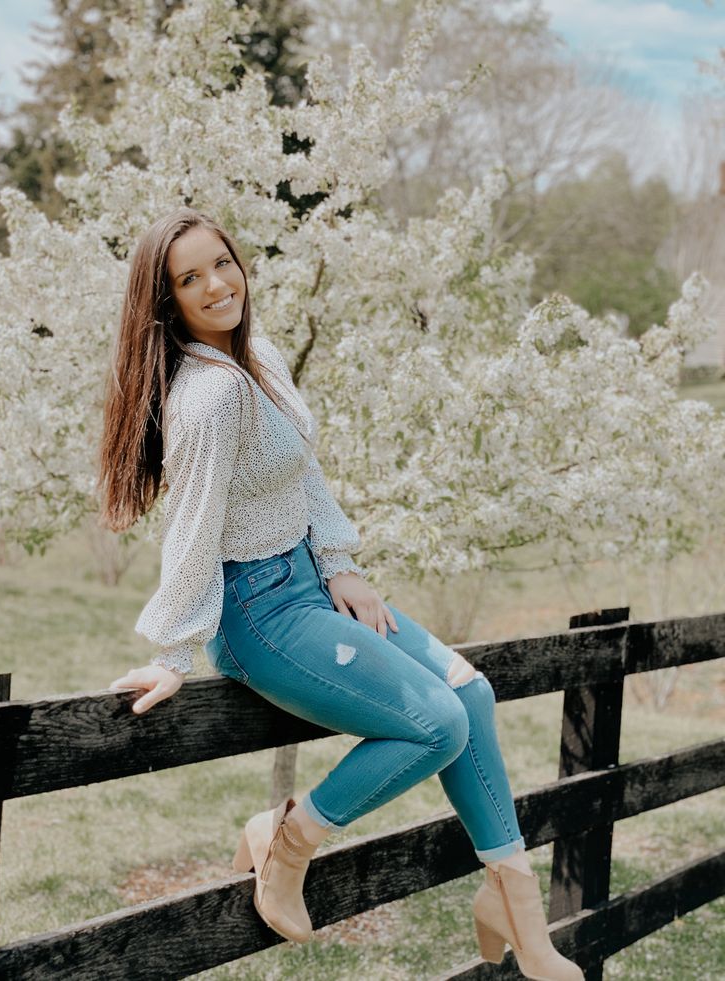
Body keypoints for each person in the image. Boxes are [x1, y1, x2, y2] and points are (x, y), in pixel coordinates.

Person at [97, 207, 582, 979]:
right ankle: (286, 838)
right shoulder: (208, 398)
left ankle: (513, 906)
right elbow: (192, 525)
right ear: (168, 302)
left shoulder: (260, 356)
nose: (217, 284)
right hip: (258, 612)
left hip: (311, 583)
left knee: (474, 693)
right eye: (190, 279)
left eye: (222, 262)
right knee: (436, 723)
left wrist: (340, 560)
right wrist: (173, 654)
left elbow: (305, 471)